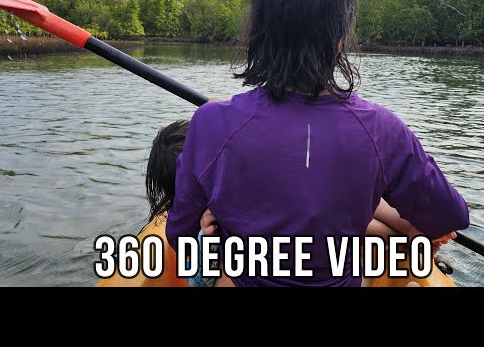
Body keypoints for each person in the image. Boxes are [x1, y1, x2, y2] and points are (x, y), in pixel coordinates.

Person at [165, 0, 470, 287]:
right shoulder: (384, 131)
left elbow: (180, 236)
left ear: (259, 34)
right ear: (340, 39)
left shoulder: (211, 123)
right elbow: (451, 216)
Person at [146, 120, 455, 288]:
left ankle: (406, 232)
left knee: (342, 201)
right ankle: (407, 232)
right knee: (343, 200)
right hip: (312, 256)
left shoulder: (220, 198)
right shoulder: (214, 218)